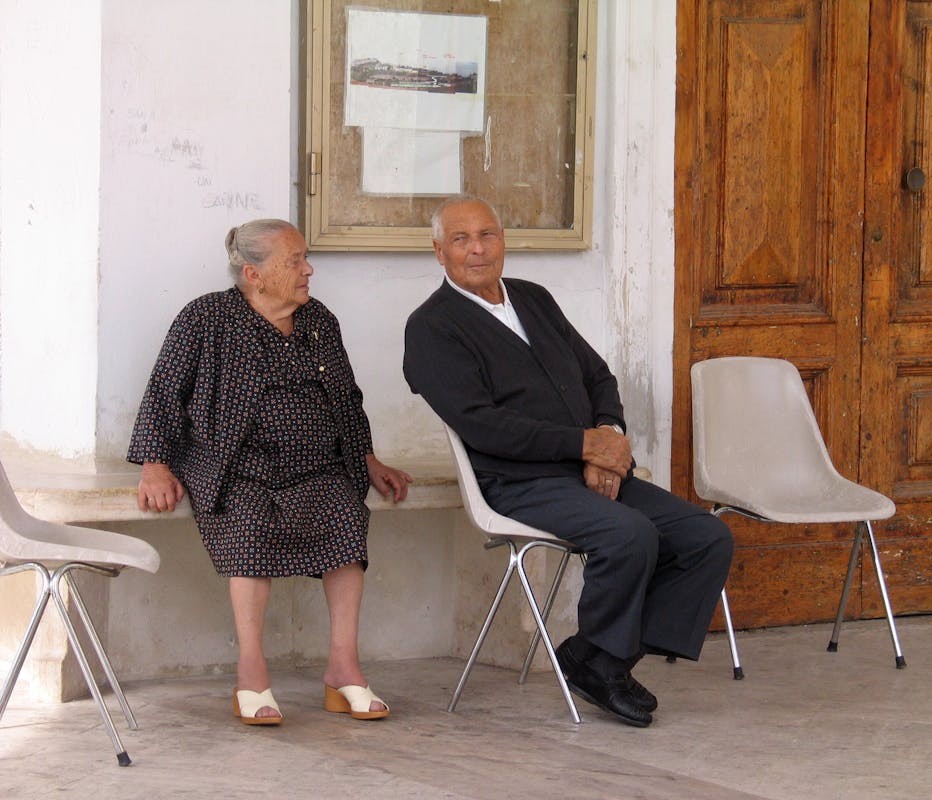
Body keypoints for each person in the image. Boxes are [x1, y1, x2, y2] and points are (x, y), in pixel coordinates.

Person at [403, 196, 733, 728]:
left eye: (487, 235)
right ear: (439, 252)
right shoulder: (431, 327)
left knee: (705, 537)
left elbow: (597, 375)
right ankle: (601, 661)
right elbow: (483, 425)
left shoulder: (533, 298)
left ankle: (599, 659)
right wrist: (583, 446)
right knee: (629, 535)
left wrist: (608, 438)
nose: (477, 249)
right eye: (461, 240)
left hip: (589, 469)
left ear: (503, 241)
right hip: (517, 481)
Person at [128, 218, 412, 725]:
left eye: (305, 258)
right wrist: (154, 464)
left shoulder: (319, 320)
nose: (308, 270)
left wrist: (368, 459)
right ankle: (251, 672)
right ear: (253, 274)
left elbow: (347, 398)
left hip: (316, 465)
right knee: (248, 525)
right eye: (295, 261)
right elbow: (164, 392)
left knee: (347, 516)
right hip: (236, 464)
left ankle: (343, 667)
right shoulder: (206, 317)